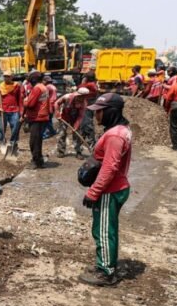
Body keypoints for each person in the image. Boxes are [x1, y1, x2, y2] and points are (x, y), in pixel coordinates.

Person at [79, 93, 133, 287]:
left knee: (103, 231)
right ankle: (105, 264)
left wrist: (94, 191)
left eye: (99, 112)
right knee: (105, 228)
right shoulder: (120, 130)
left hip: (109, 190)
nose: (96, 116)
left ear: (111, 112)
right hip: (114, 187)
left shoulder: (114, 136)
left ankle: (106, 272)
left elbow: (110, 167)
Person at [22, 71, 51, 168]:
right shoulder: (44, 87)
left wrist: (25, 101)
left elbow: (30, 104)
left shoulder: (37, 88)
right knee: (38, 140)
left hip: (36, 117)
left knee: (34, 141)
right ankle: (39, 161)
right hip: (43, 116)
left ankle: (35, 162)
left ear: (33, 80)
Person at [0, 72, 24, 155]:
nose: (6, 78)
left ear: (12, 77)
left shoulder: (17, 86)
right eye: (5, 76)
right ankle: (2, 143)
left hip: (15, 111)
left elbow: (20, 100)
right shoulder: (0, 87)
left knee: (15, 128)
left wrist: (21, 111)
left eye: (8, 76)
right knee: (2, 128)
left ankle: (13, 144)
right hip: (3, 111)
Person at [55, 86, 89, 158]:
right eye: (81, 96)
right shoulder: (67, 97)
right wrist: (57, 112)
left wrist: (76, 126)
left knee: (77, 134)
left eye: (84, 97)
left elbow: (80, 116)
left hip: (75, 118)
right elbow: (56, 103)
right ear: (78, 95)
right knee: (61, 133)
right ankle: (61, 151)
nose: (83, 98)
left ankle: (78, 152)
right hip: (64, 117)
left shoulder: (84, 103)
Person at [42, 73, 58, 139]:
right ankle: (52, 131)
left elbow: (45, 97)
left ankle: (46, 134)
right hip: (53, 104)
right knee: (49, 119)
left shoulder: (47, 87)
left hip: (50, 104)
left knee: (46, 120)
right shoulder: (53, 86)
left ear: (45, 81)